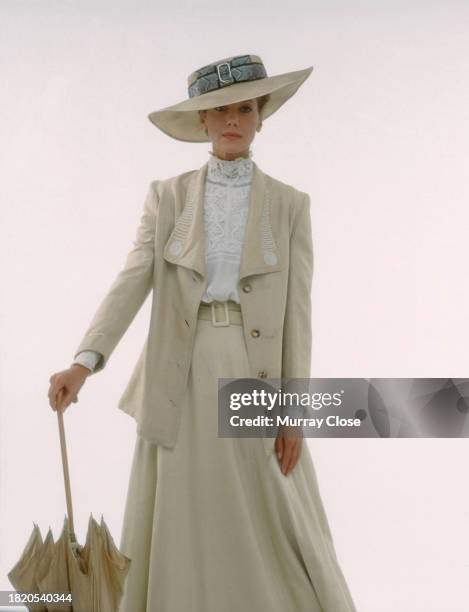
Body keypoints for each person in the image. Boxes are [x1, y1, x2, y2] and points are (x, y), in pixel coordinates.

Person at [47, 54, 358, 612]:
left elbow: (297, 315)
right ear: (202, 123)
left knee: (274, 499)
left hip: (252, 366)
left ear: (261, 117)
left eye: (245, 108)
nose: (233, 119)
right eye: (221, 110)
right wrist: (85, 360)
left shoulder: (290, 205)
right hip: (179, 370)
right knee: (183, 502)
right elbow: (132, 280)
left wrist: (294, 410)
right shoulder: (167, 197)